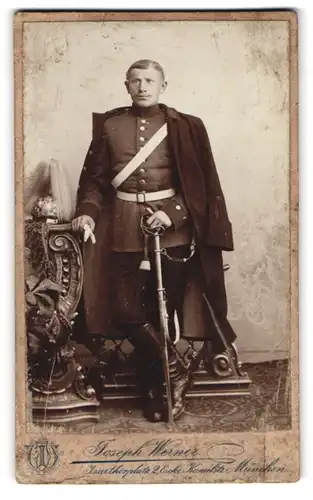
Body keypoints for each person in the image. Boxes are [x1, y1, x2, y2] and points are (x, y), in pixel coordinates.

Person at [72, 59, 236, 423]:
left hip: (172, 232)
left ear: (163, 85)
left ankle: (155, 390)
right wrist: (86, 210)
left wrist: (174, 213)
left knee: (164, 312)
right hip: (124, 230)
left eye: (150, 80)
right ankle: (173, 372)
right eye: (136, 81)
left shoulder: (187, 126)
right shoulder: (109, 126)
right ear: (126, 86)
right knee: (126, 309)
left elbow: (202, 183)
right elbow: (95, 181)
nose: (143, 86)